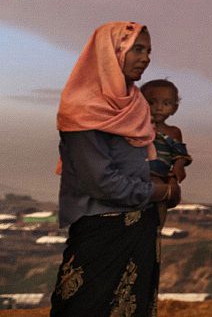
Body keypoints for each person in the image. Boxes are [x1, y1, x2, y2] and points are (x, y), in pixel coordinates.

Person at [50, 22, 179, 316]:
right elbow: (100, 182)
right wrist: (159, 190)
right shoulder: (82, 108)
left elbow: (137, 165)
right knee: (85, 307)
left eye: (148, 51)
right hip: (100, 230)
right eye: (137, 48)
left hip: (140, 228)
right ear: (112, 52)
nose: (146, 58)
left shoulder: (136, 105)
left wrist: (160, 184)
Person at [140, 79, 192, 226]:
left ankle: (157, 228)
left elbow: (180, 154)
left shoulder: (173, 132)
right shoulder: (137, 127)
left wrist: (178, 167)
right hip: (137, 171)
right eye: (152, 103)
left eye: (166, 104)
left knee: (161, 197)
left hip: (159, 174)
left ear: (174, 108)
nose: (158, 108)